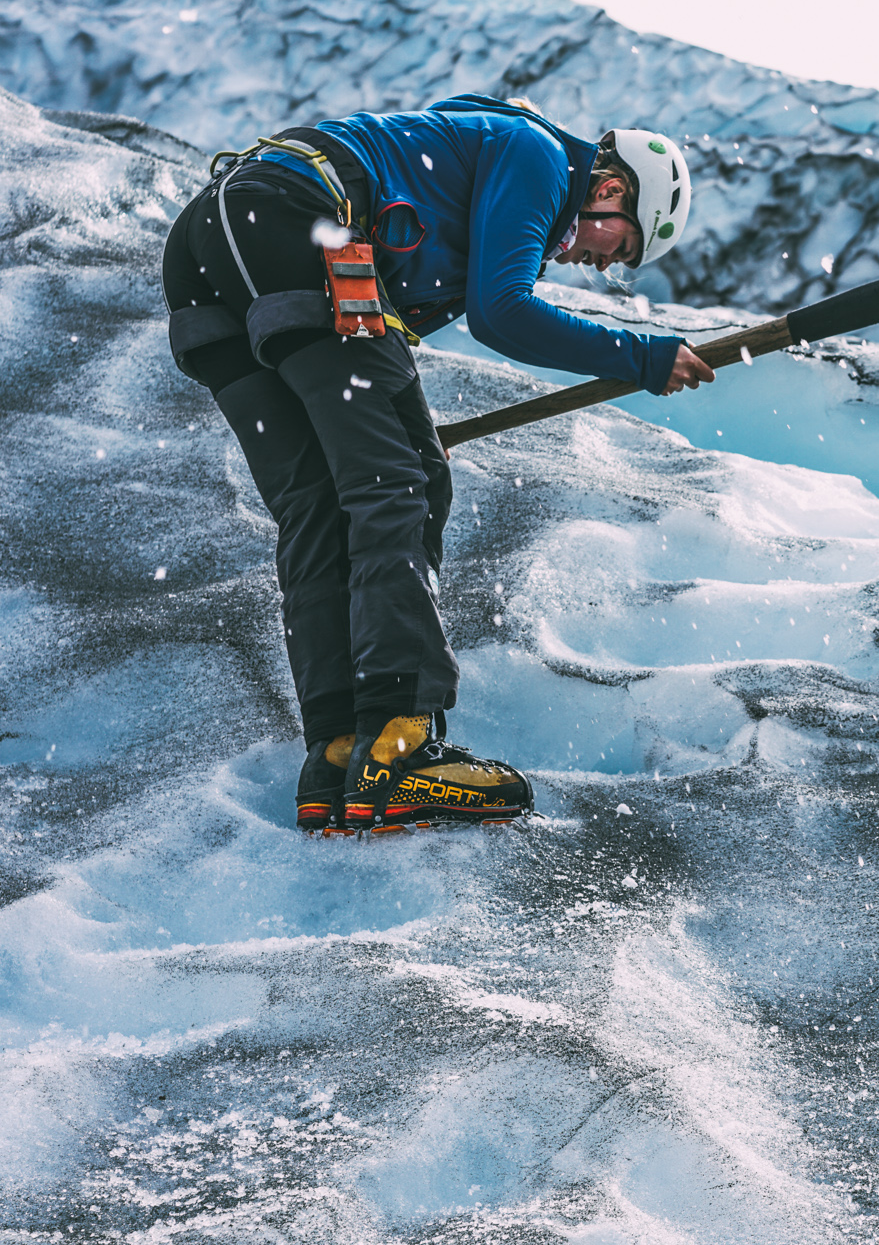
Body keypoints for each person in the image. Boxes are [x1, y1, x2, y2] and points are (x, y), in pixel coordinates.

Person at [160, 94, 709, 833]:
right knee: (402, 487)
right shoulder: (542, 158)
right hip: (298, 218)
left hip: (211, 246)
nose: (598, 261)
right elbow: (503, 312)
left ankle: (339, 750)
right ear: (613, 189)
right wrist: (641, 356)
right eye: (619, 246)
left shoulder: (479, 164)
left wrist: (396, 442)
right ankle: (400, 746)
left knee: (322, 499)